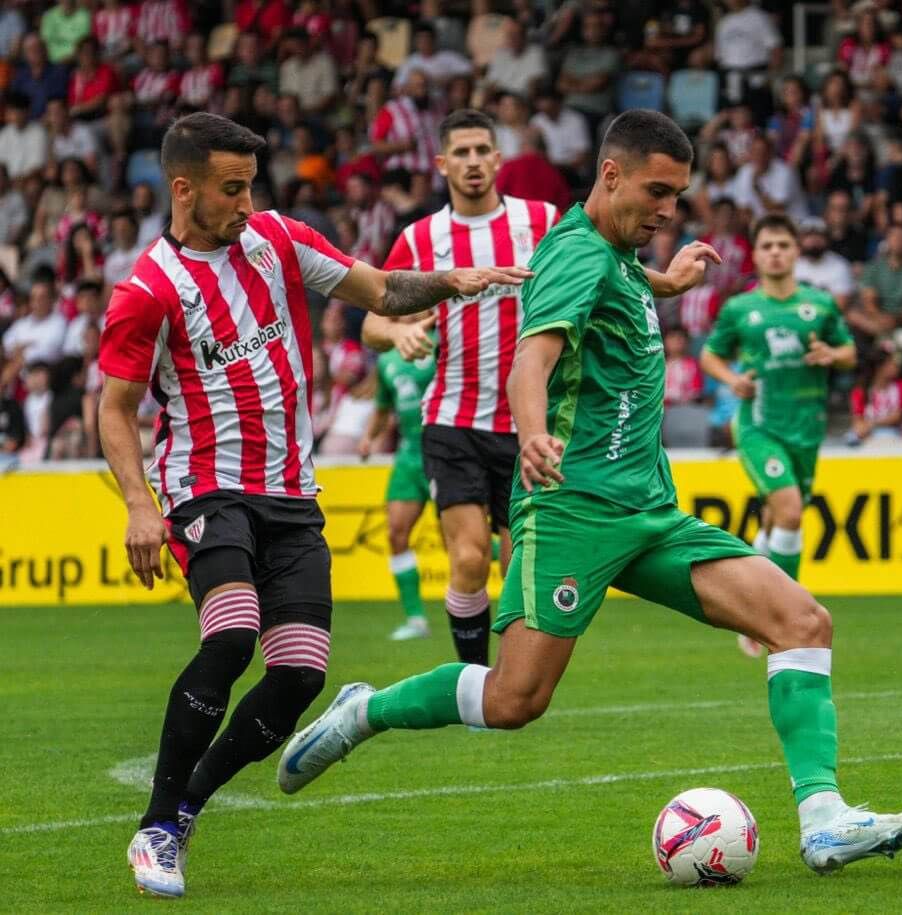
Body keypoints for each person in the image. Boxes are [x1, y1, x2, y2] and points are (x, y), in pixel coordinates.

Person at [278, 111, 902, 877]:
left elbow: (609, 277)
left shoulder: (612, 252)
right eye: (658, 192)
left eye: (678, 195)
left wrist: (668, 281)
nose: (669, 210)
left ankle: (823, 819)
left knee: (802, 620)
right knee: (515, 699)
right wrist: (531, 434)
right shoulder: (578, 253)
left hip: (649, 511)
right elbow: (531, 362)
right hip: (574, 509)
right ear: (611, 175)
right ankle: (365, 710)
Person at [100, 112, 531, 898]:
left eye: (251, 185)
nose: (246, 202)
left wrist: (451, 280)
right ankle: (156, 824)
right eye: (231, 189)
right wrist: (138, 503)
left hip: (292, 494)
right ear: (183, 189)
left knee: (299, 675)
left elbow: (381, 288)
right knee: (232, 634)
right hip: (206, 485)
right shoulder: (149, 290)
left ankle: (187, 805)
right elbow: (115, 406)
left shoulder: (277, 239)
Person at [360, 109, 562, 668]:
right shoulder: (421, 238)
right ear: (442, 164)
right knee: (470, 560)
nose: (472, 162)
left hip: (527, 425)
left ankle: (512, 682)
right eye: (461, 153)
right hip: (452, 420)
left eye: (481, 151)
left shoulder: (542, 222)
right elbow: (373, 320)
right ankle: (475, 681)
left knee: (518, 567)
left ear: (497, 159)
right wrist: (398, 333)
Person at [700, 213, 856, 650]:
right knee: (789, 511)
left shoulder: (819, 305)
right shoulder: (740, 309)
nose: (775, 253)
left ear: (796, 251)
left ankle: (751, 611)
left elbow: (848, 351)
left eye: (783, 245)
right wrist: (732, 381)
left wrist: (831, 355)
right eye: (767, 246)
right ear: (756, 254)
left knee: (776, 520)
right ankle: (786, 617)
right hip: (758, 426)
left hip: (806, 427)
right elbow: (710, 356)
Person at [359, 310, 438, 641]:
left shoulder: (441, 343)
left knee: (463, 540)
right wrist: (369, 437)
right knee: (396, 533)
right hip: (408, 455)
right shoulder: (388, 358)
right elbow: (383, 407)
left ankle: (514, 554)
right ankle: (416, 620)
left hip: (443, 449)